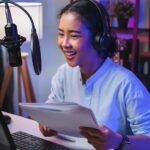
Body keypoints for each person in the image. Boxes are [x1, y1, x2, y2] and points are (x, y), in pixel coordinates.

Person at [39, 0, 150, 149]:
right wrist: (47, 123)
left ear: (99, 39)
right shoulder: (64, 73)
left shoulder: (127, 84)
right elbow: (52, 107)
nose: (64, 43)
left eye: (74, 35)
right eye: (61, 34)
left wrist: (119, 141)